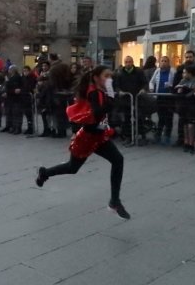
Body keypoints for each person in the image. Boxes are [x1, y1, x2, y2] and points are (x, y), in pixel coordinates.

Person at [35, 65, 130, 220]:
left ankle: (115, 200)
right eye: (106, 76)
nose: (109, 79)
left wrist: (111, 97)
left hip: (98, 136)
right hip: (87, 137)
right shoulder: (94, 92)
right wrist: (111, 97)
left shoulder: (99, 91)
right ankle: (44, 172)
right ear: (96, 77)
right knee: (72, 168)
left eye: (110, 76)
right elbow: (98, 113)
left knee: (118, 160)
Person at [114, 56, 148, 143]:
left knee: (139, 117)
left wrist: (143, 89)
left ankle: (142, 135)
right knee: (126, 118)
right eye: (126, 62)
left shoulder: (139, 71)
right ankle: (128, 136)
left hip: (137, 98)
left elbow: (145, 83)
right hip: (126, 99)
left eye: (129, 62)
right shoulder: (120, 73)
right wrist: (119, 91)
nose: (128, 64)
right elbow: (116, 85)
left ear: (132, 62)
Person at [149, 56, 176, 145]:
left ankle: (167, 136)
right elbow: (151, 82)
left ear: (169, 63)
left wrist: (170, 85)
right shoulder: (157, 71)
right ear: (159, 63)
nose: (163, 63)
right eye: (162, 61)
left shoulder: (173, 71)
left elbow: (176, 83)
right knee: (161, 117)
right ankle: (158, 135)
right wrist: (152, 88)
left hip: (169, 98)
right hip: (159, 97)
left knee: (169, 118)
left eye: (165, 61)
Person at [48, 53, 72, 138]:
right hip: (65, 92)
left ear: (51, 59)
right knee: (63, 112)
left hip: (56, 93)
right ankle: (64, 130)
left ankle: (60, 131)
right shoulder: (65, 66)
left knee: (58, 113)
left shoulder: (53, 69)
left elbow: (52, 83)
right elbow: (69, 78)